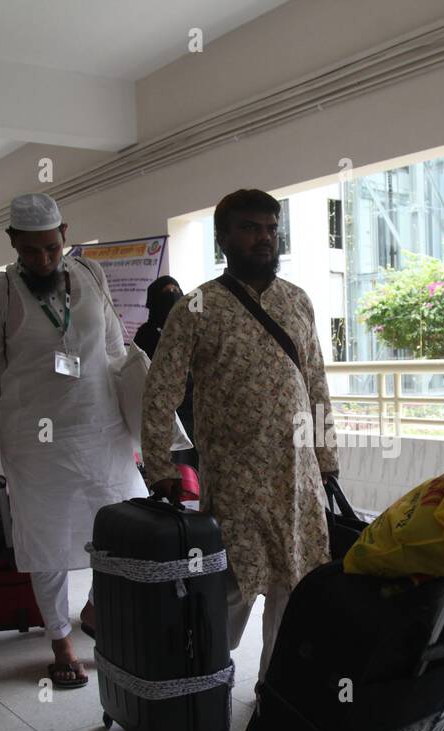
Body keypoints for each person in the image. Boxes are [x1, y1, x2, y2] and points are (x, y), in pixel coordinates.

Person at [142, 188, 338, 680]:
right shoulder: (197, 307)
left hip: (297, 477)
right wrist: (160, 466)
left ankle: (275, 688)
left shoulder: (297, 302)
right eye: (251, 228)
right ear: (224, 238)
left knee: (295, 581)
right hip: (235, 479)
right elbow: (159, 391)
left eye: (271, 228)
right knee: (231, 583)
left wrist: (327, 457)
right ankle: (199, 677)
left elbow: (315, 382)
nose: (264, 238)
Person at [0, 194, 148, 688]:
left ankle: (96, 610)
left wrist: (135, 425)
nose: (42, 259)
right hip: (34, 441)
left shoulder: (90, 276)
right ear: (12, 243)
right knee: (46, 540)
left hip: (100, 430)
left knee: (118, 527)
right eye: (30, 251)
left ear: (64, 233)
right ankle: (59, 638)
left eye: (50, 247)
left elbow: (114, 349)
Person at [134, 275, 196, 463]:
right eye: (166, 292)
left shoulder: (192, 329)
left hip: (193, 412)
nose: (173, 296)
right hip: (163, 414)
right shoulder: (145, 335)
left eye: (176, 291)